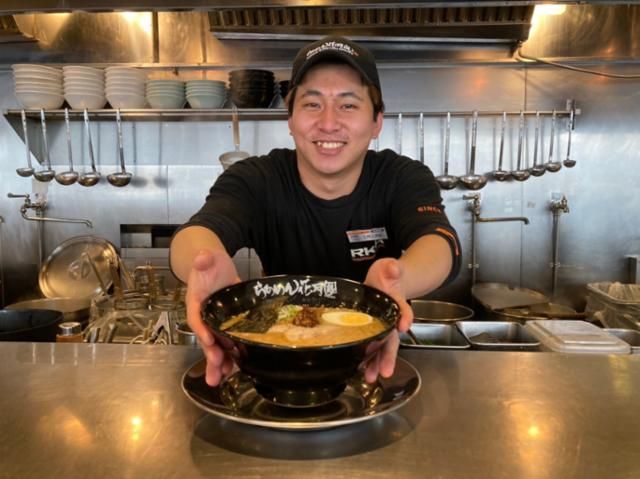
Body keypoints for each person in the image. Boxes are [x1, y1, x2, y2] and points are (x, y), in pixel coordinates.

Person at [170, 35, 461, 387]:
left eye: (348, 105)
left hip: (375, 359)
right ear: (290, 119)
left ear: (376, 122)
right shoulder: (256, 178)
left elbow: (439, 243)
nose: (328, 123)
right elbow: (199, 231)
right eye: (312, 104)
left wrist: (399, 279)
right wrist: (203, 263)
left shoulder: (401, 176)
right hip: (274, 365)